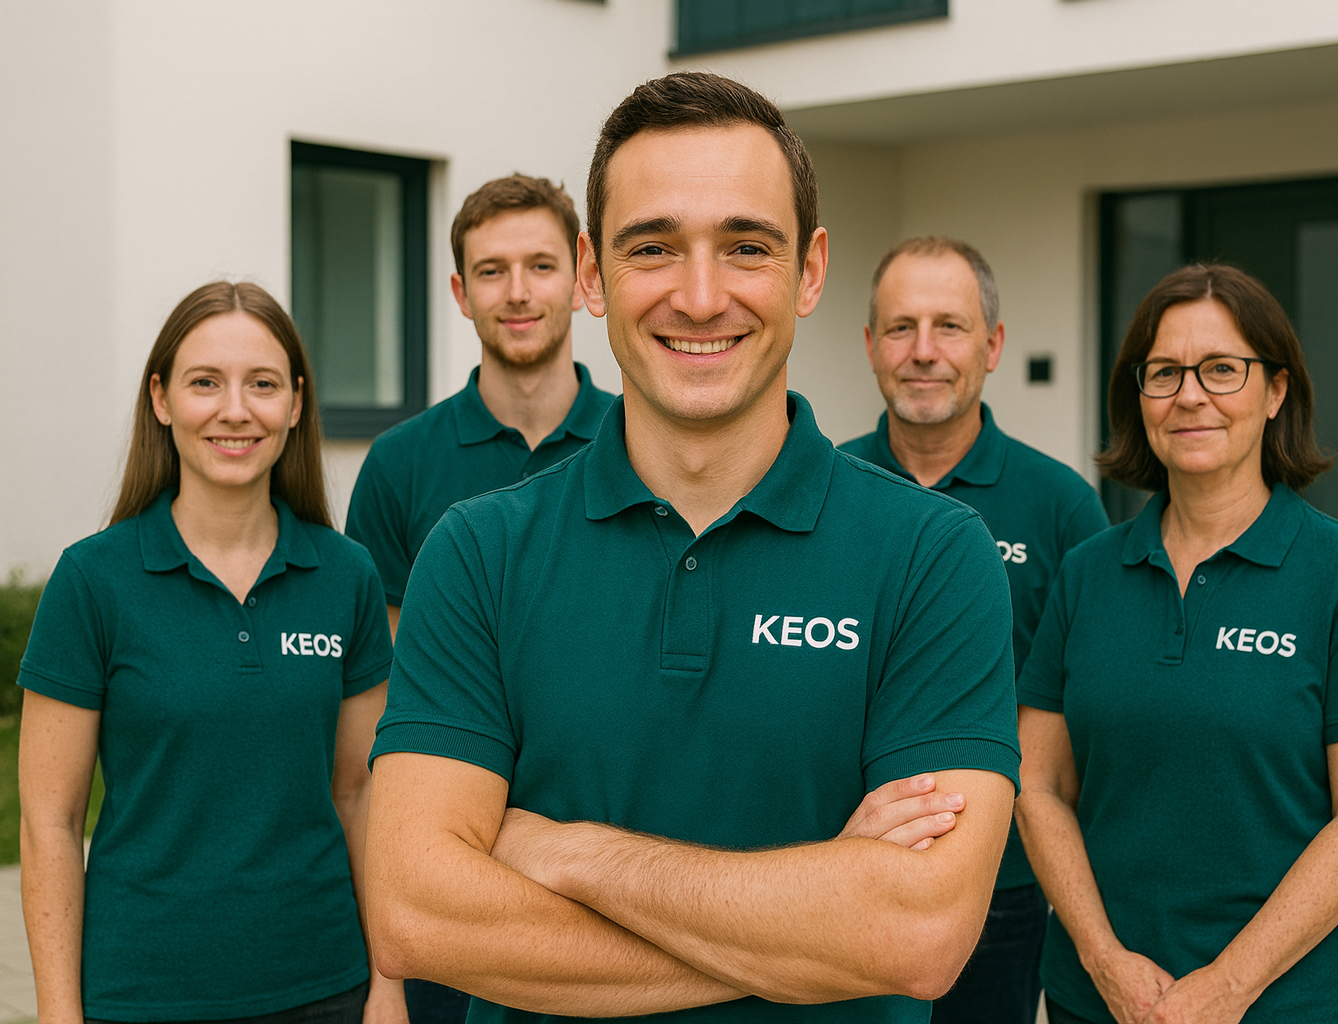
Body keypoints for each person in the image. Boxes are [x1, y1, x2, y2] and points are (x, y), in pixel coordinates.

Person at [364, 72, 1021, 1024]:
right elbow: (418, 917)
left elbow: (918, 935)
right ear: (593, 274)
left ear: (810, 270)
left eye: (747, 246)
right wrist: (817, 917)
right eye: (653, 247)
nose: (701, 295)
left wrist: (568, 853)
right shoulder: (476, 553)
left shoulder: (933, 555)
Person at [1015, 263, 1338, 1024]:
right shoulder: (1087, 573)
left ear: (1276, 391)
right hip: (1102, 996)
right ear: (1137, 397)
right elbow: (1040, 788)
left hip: (1294, 1001)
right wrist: (1103, 958)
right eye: (1164, 372)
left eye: (1221, 369)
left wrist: (1228, 985)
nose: (1190, 395)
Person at [17, 282, 404, 1024]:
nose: (235, 410)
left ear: (295, 403)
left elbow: (360, 796)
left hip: (325, 984)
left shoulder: (347, 575)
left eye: (262, 384)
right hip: (141, 991)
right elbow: (50, 824)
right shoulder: (92, 581)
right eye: (205, 383)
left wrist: (388, 982)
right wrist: (58, 1015)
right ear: (161, 399)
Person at [840, 236, 1109, 1024]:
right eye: (900, 328)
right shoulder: (817, 490)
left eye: (949, 327)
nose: (923, 352)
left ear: (992, 345)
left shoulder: (1062, 507)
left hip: (1004, 886)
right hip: (837, 870)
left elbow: (1089, 707)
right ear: (869, 346)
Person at [346, 173, 616, 634]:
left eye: (541, 266)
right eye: (491, 271)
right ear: (461, 293)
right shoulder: (397, 463)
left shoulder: (638, 440)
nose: (517, 293)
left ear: (580, 282)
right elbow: (386, 669)